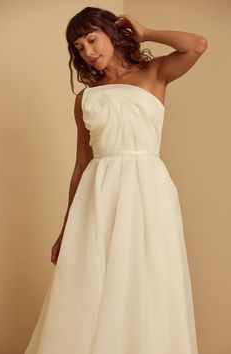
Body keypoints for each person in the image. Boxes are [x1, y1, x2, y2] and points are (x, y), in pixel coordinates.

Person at [24, 6, 207, 354]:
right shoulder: (85, 98)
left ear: (113, 33)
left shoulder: (154, 73)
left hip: (147, 188)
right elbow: (80, 164)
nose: (88, 52)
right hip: (99, 191)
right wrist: (66, 229)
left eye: (92, 39)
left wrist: (147, 31)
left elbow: (197, 44)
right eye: (79, 47)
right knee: (90, 280)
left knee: (147, 274)